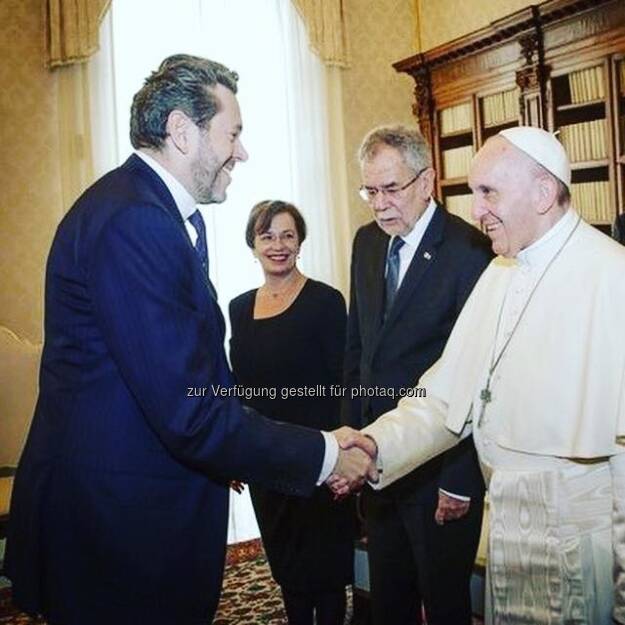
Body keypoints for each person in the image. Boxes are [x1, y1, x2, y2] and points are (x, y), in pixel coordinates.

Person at [5, 54, 375, 625]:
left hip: (135, 510)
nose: (242, 152)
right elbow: (188, 411)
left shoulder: (155, 211)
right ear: (183, 131)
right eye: (234, 133)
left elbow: (192, 368)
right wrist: (325, 453)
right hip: (120, 528)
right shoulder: (135, 220)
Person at [334, 126, 625, 625]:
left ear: (542, 192)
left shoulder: (611, 276)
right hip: (510, 522)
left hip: (582, 540)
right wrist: (374, 445)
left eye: (489, 192)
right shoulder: (500, 272)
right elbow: (445, 398)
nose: (476, 211)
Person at [342, 124, 492, 625]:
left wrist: (460, 480)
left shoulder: (470, 252)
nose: (380, 204)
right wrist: (352, 443)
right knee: (390, 599)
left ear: (426, 182)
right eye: (370, 191)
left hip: (437, 469)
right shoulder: (366, 243)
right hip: (380, 461)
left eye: (391, 189)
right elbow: (357, 351)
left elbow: (478, 377)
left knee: (445, 601)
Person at [229, 200, 355, 625]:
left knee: (327, 574)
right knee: (289, 572)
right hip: (268, 460)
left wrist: (344, 458)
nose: (278, 245)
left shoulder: (326, 301)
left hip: (321, 458)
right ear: (253, 244)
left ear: (300, 242)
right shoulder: (239, 308)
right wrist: (233, 451)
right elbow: (238, 388)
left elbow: (345, 384)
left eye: (287, 235)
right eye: (267, 236)